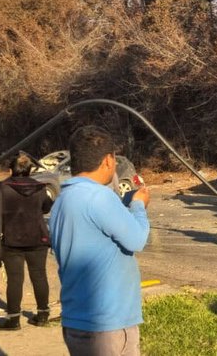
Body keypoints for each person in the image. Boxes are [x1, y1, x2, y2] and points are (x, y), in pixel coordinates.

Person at [49, 126, 150, 355]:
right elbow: (137, 239)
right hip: (107, 326)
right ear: (108, 160)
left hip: (76, 320)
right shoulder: (99, 196)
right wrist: (138, 205)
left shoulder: (62, 201)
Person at [0, 152, 53, 331]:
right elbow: (47, 207)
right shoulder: (40, 188)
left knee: (14, 280)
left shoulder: (0, 188)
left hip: (10, 240)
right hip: (38, 238)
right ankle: (43, 315)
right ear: (30, 169)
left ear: (10, 168)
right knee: (39, 275)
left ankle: (13, 320)